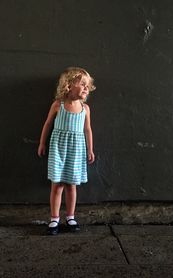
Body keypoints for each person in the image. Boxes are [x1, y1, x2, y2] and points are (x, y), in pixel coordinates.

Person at [38, 67, 96, 235]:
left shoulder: (85, 109)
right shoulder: (58, 105)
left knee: (71, 186)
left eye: (88, 85)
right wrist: (42, 143)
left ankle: (70, 217)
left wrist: (90, 149)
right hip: (58, 149)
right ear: (69, 85)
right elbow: (48, 124)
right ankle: (54, 218)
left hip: (76, 151)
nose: (86, 88)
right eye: (82, 84)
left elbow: (88, 130)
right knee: (57, 186)